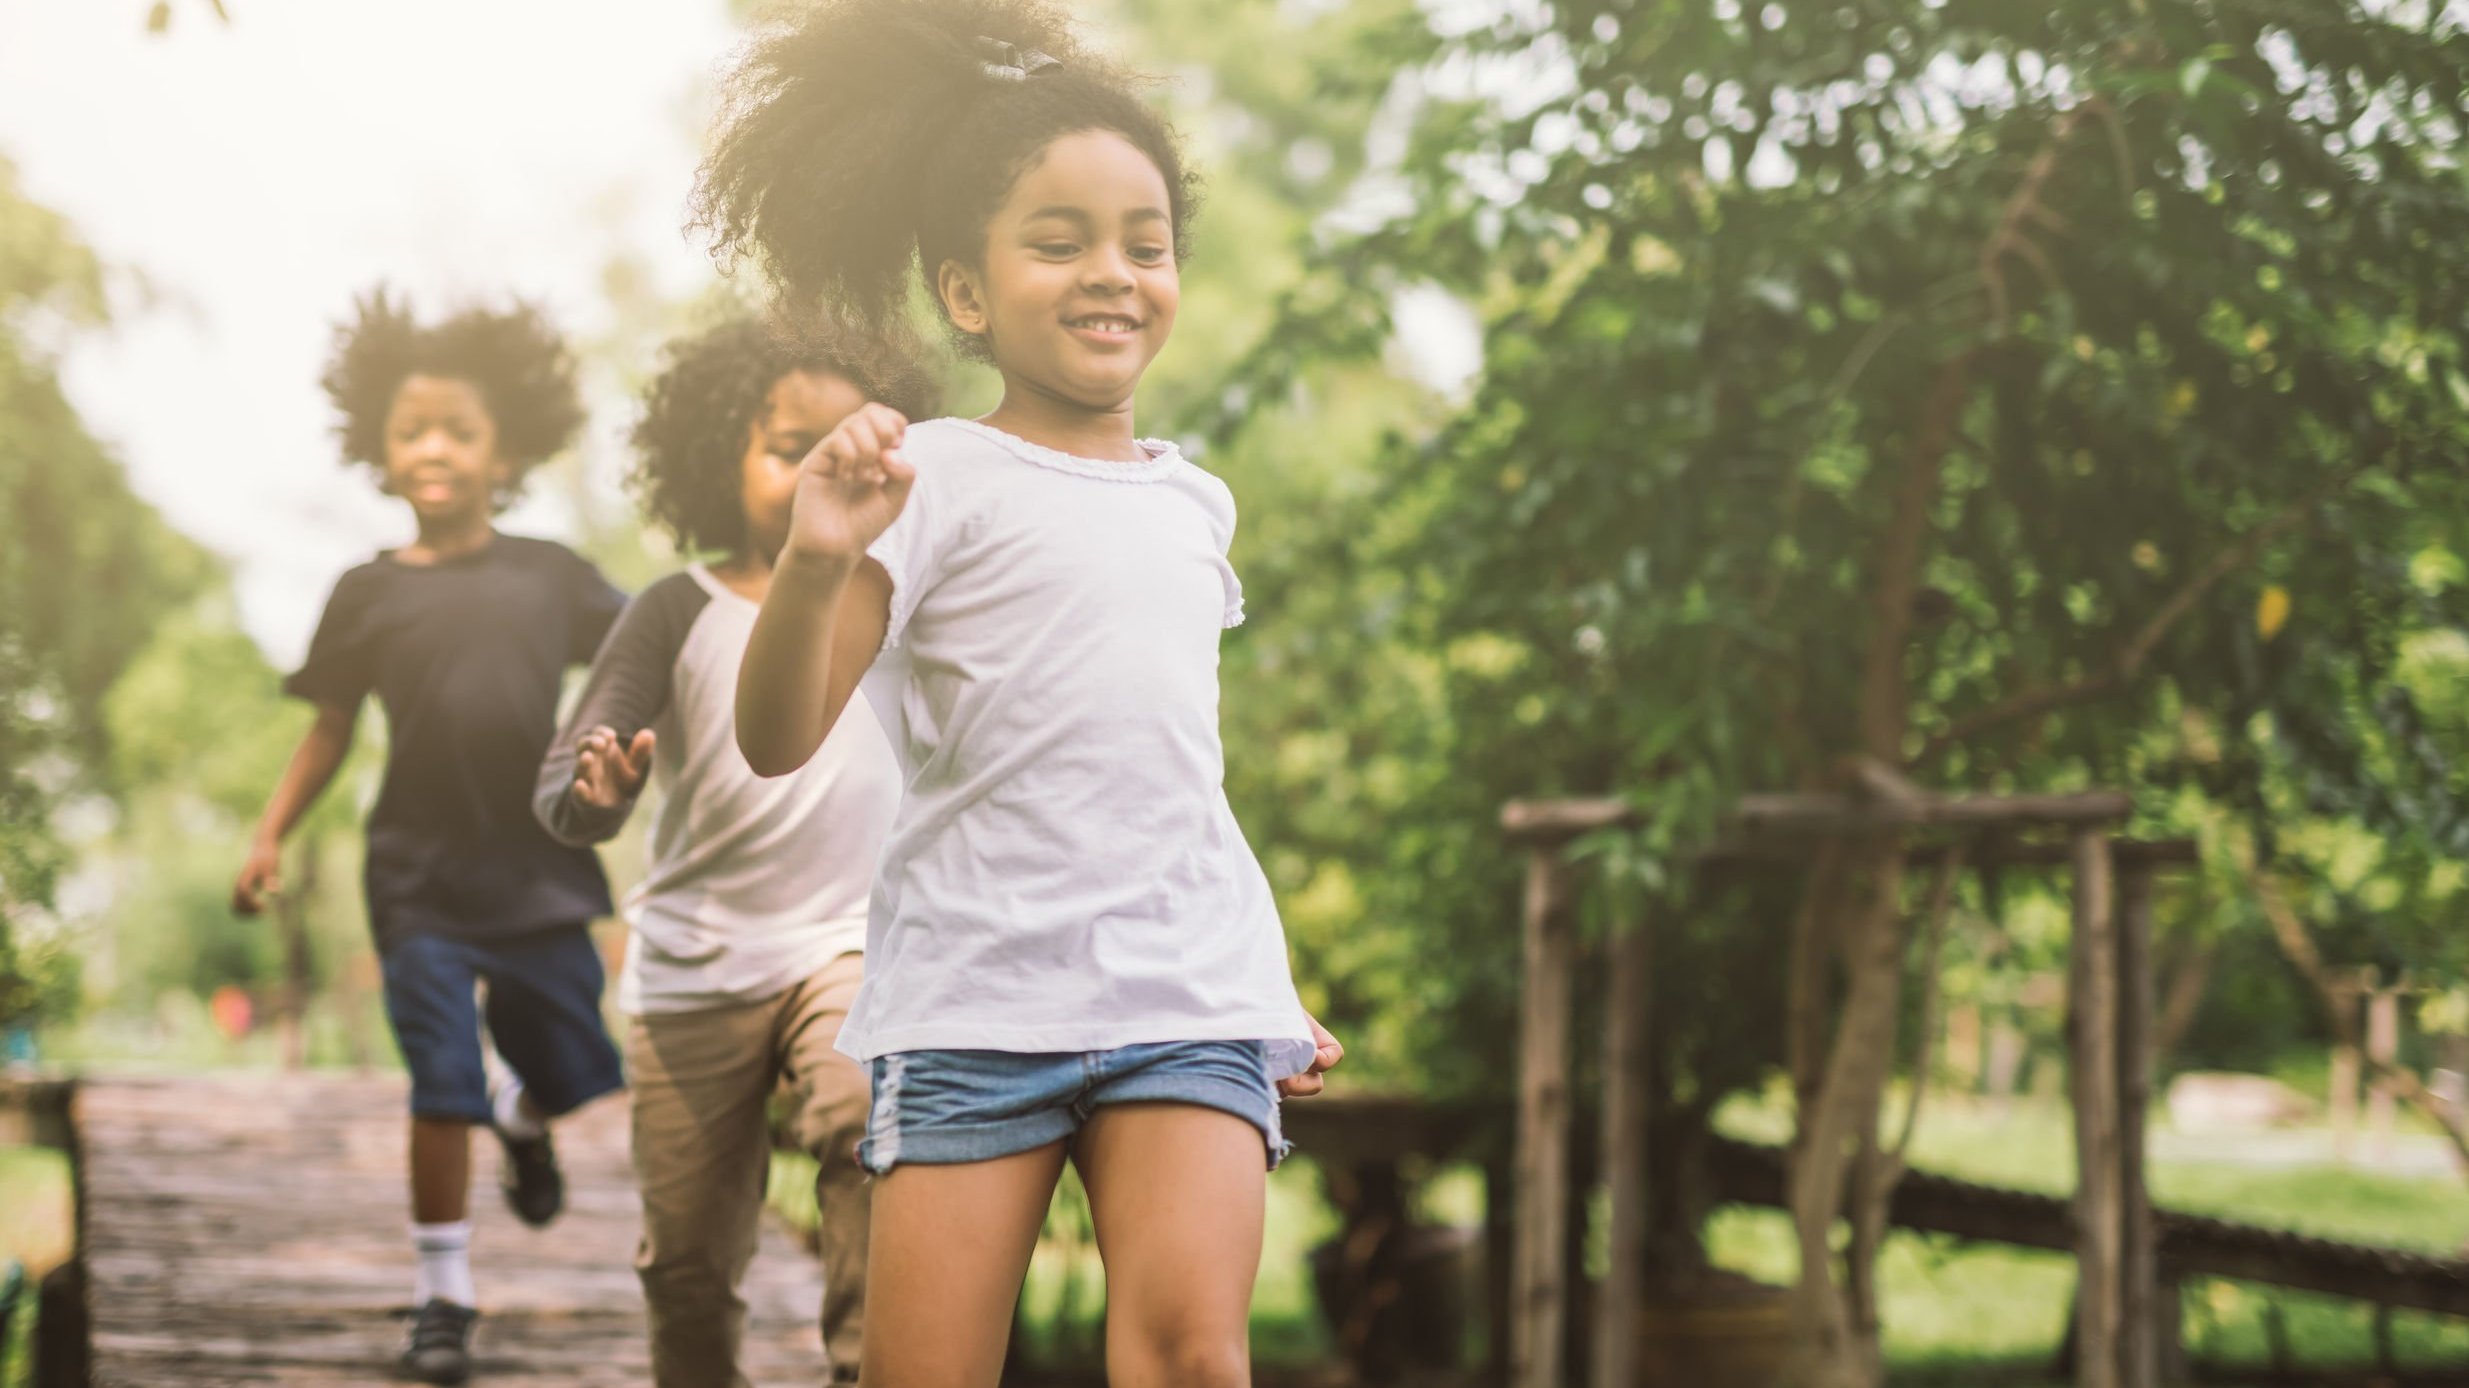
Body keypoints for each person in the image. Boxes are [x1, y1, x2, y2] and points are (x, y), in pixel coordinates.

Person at [695, 2, 1344, 1384]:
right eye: (1059, 242)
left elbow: (1170, 764)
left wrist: (1262, 980)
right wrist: (817, 558)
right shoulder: (927, 476)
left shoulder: (1193, 502)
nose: (1111, 273)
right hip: (978, 999)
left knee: (1189, 1355)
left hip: (1187, 989)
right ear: (967, 291)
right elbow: (776, 735)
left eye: (1144, 242)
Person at [232, 289, 627, 1385]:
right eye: (414, 431)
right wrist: (269, 833)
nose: (436, 447)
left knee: (579, 1063)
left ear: (505, 447)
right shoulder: (364, 592)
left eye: (460, 427)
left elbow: (653, 646)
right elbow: (328, 730)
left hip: (541, 864)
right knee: (438, 1077)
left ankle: (525, 1109)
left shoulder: (551, 573)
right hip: (417, 877)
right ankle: (443, 1293)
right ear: (381, 449)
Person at [532, 315, 933, 1387]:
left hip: (848, 945)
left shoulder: (903, 603)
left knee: (863, 1115)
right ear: (720, 458)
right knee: (690, 1266)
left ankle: (866, 1368)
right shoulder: (676, 607)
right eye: (784, 444)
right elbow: (566, 779)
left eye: (842, 445)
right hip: (695, 963)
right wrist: (595, 786)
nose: (815, 469)